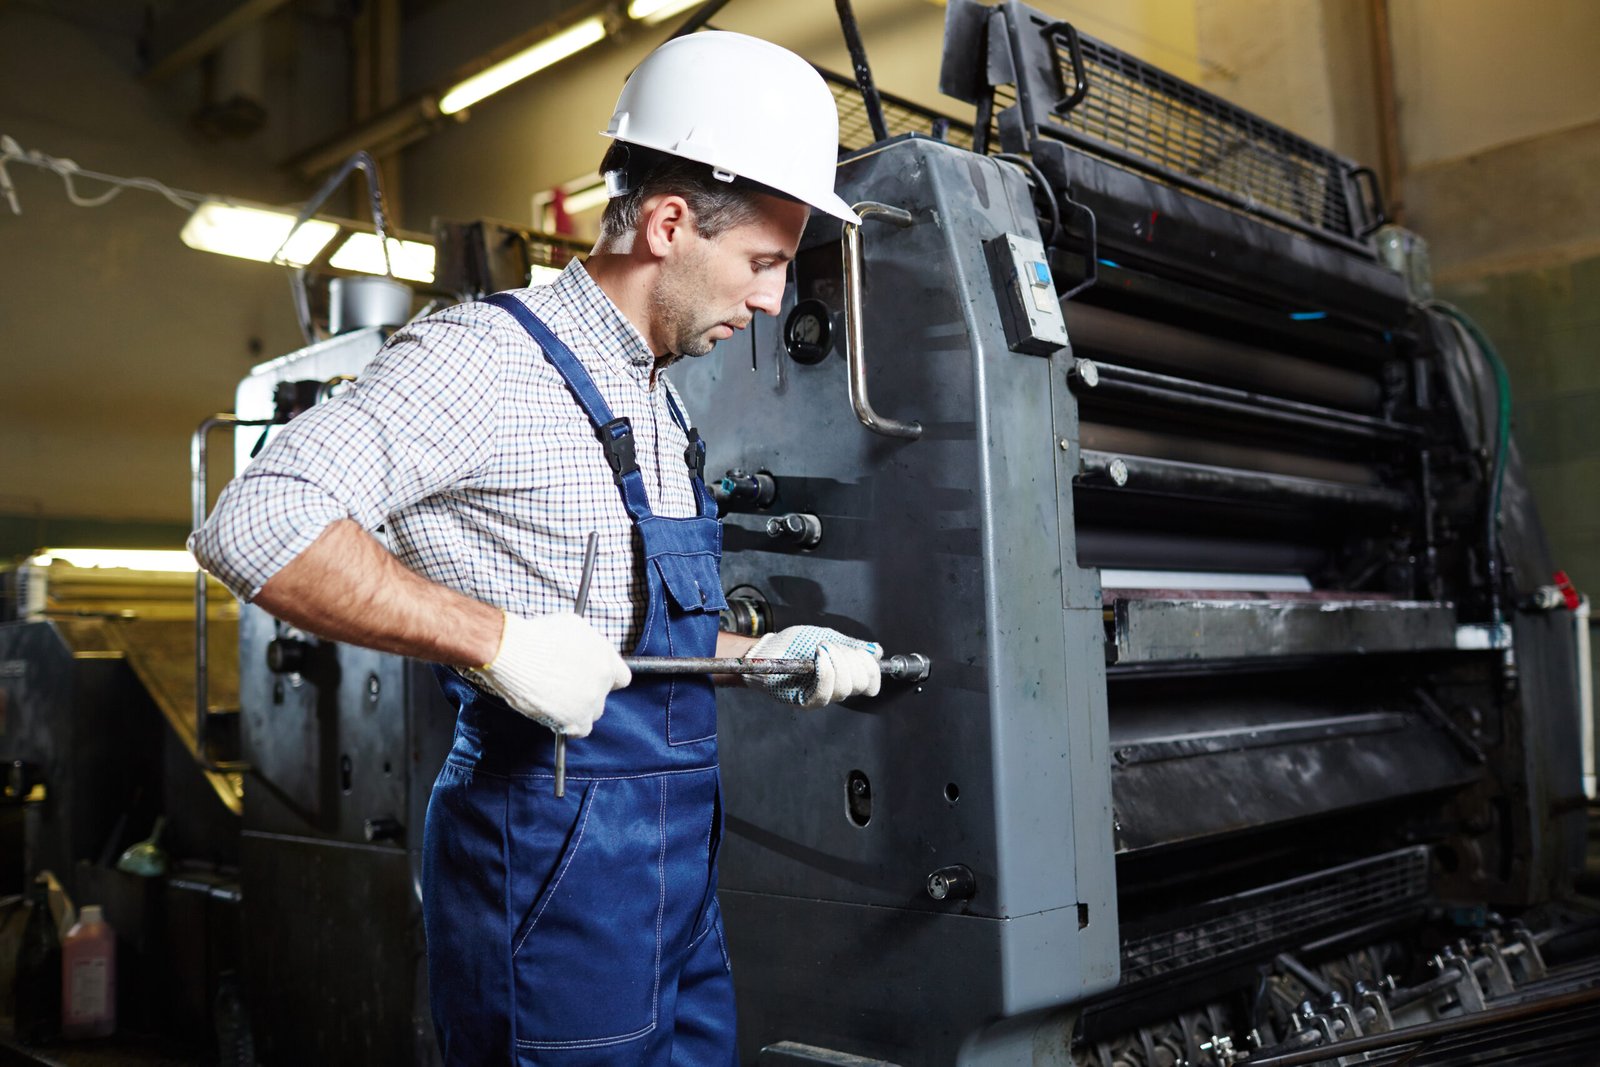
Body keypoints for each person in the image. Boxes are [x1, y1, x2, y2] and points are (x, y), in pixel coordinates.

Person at [189, 29, 883, 1066]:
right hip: (552, 859)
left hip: (675, 867)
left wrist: (770, 658)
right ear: (668, 222)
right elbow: (255, 520)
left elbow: (620, 639)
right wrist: (492, 638)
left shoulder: (656, 395)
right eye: (763, 263)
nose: (774, 299)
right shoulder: (486, 359)